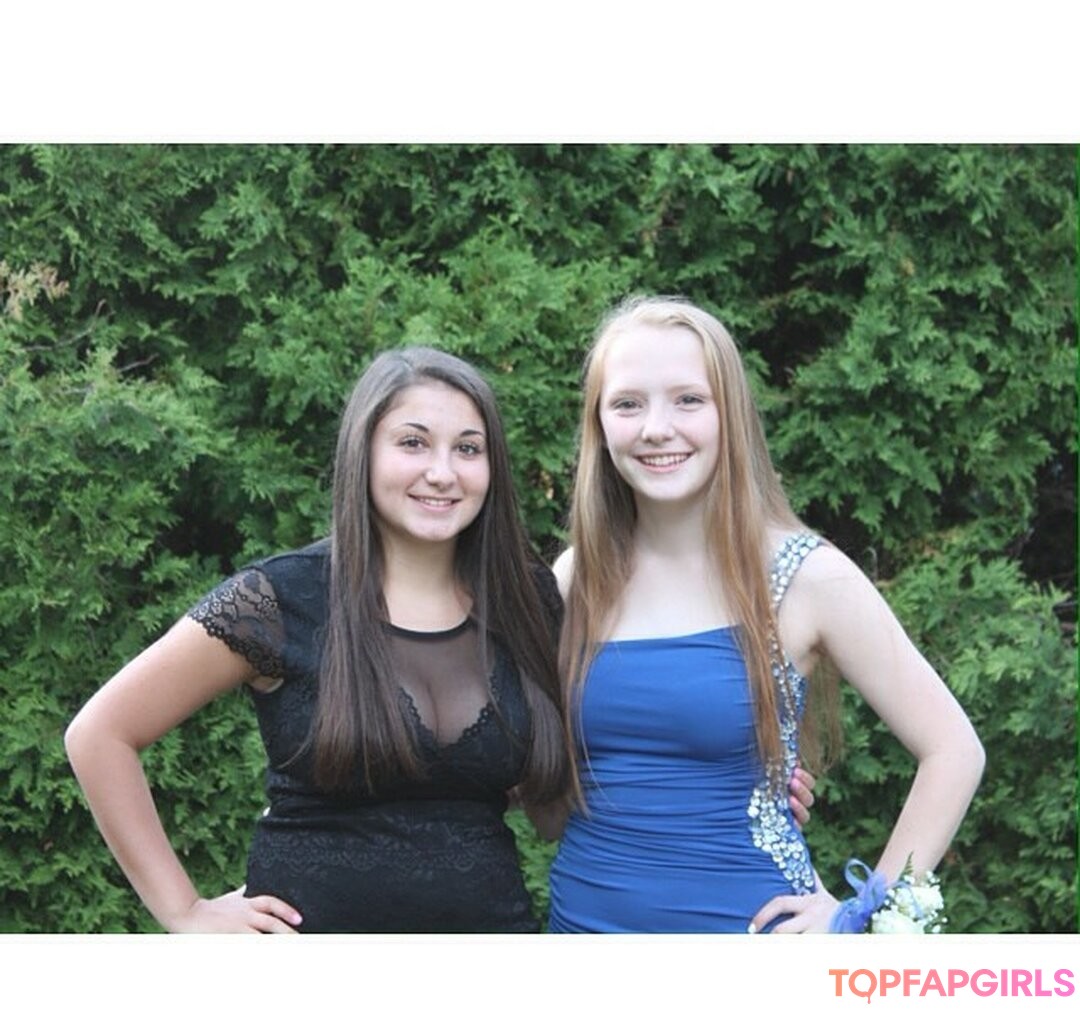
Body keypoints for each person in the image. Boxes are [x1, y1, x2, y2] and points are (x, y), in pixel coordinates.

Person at [64, 346, 572, 933]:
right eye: (413, 443)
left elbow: (552, 802)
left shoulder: (527, 598)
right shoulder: (280, 600)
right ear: (363, 452)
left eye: (468, 448)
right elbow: (100, 734)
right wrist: (185, 911)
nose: (442, 472)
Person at [545, 295, 985, 933]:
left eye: (688, 400)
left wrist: (864, 911)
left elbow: (954, 749)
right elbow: (544, 790)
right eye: (627, 404)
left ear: (731, 413)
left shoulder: (808, 577)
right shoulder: (575, 578)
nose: (656, 428)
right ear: (599, 423)